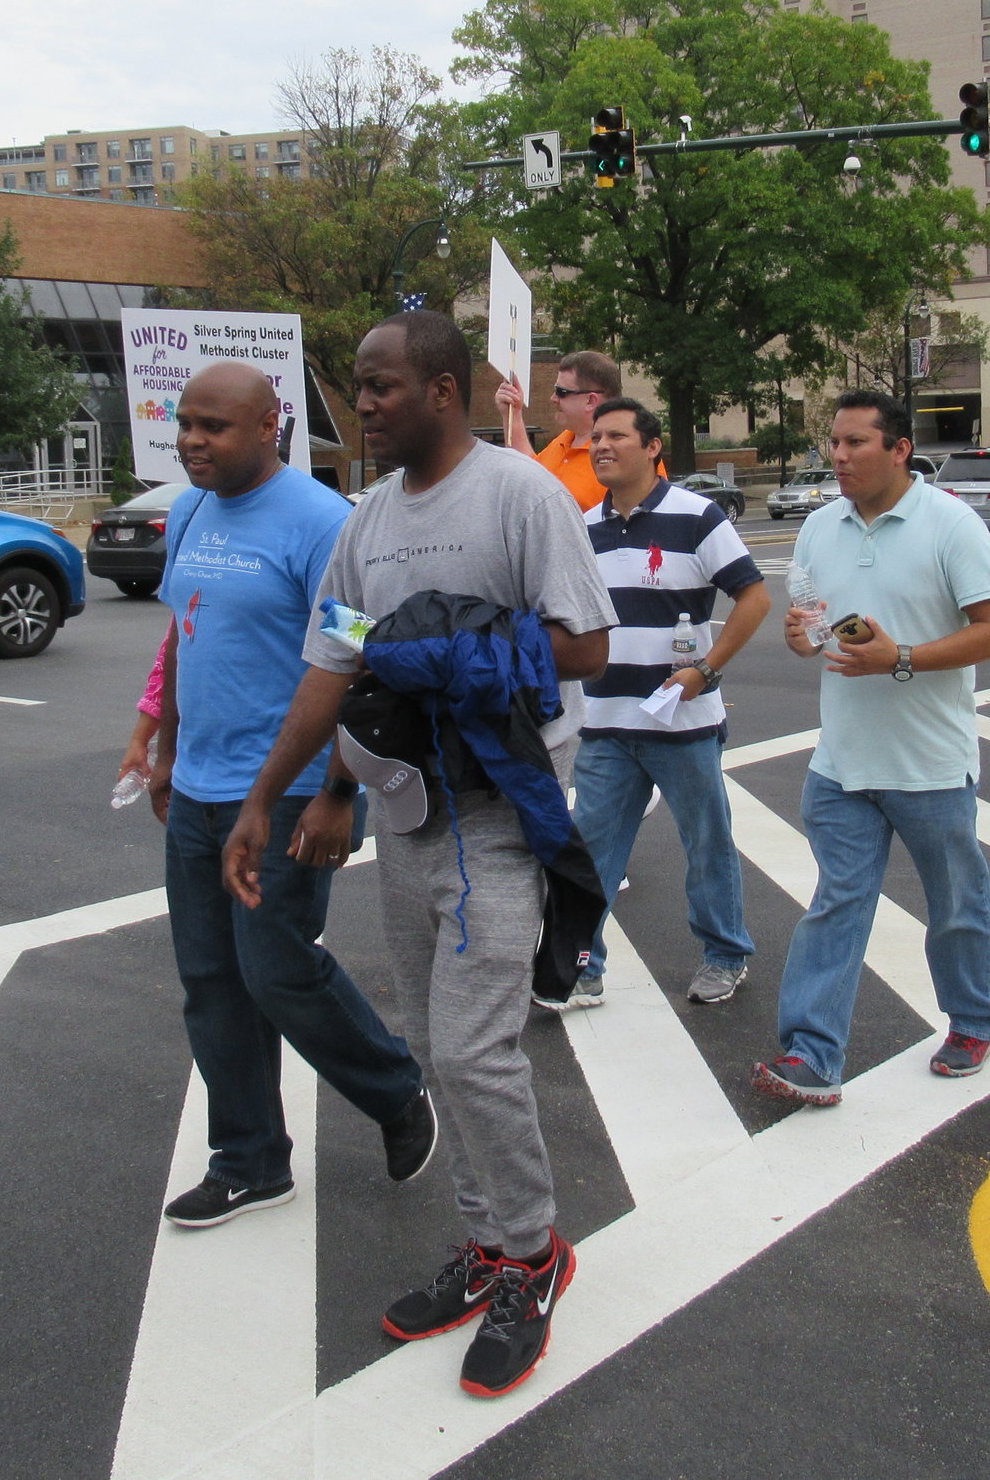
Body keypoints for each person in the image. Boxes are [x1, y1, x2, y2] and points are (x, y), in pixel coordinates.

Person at [224, 310, 614, 1401]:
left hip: (500, 808)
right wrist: (283, 796)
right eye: (357, 386)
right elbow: (335, 669)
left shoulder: (520, 494)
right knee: (432, 1041)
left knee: (477, 1049)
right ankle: (487, 1247)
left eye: (382, 386)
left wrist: (453, 647)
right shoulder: (367, 524)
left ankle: (535, 1257)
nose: (365, 405)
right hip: (402, 815)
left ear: (444, 391)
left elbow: (585, 642)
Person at [144, 362, 434, 1227]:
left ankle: (394, 1087)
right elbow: (181, 628)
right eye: (185, 424)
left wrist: (338, 790)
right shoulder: (191, 510)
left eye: (214, 427)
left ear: (270, 425)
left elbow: (358, 664)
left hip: (289, 789)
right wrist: (164, 746)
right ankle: (249, 1159)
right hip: (198, 790)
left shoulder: (325, 525)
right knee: (209, 980)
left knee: (274, 969)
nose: (193, 440)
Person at [754, 391, 990, 1108]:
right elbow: (809, 629)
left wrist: (900, 658)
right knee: (836, 902)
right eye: (833, 443)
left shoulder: (950, 524)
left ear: (899, 449)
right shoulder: (817, 528)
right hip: (841, 762)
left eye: (855, 443)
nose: (837, 456)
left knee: (955, 903)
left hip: (930, 762)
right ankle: (812, 1051)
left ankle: (974, 1017)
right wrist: (800, 637)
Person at [560, 395, 771, 1009]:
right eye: (595, 437)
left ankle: (725, 955)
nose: (600, 446)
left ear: (653, 448)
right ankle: (582, 967)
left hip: (683, 720)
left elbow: (753, 598)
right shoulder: (584, 527)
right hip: (604, 719)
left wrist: (705, 670)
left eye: (616, 436)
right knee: (592, 850)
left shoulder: (697, 516)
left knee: (706, 842)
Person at [497, 347, 635, 512]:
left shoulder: (631, 452)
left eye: (561, 392)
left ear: (591, 400)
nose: (553, 398)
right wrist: (512, 414)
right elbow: (528, 472)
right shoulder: (565, 439)